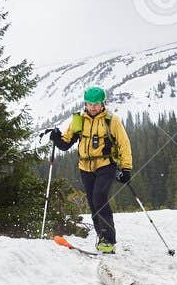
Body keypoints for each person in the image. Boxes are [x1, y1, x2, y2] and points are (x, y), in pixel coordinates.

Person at [48, 86, 133, 253]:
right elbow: (66, 143)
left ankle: (109, 240)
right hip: (85, 167)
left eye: (96, 104)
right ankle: (101, 236)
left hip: (106, 165)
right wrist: (56, 137)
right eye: (89, 104)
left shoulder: (111, 120)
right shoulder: (79, 120)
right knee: (93, 203)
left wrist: (126, 168)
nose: (93, 107)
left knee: (100, 197)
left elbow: (124, 144)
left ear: (102, 103)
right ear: (85, 103)